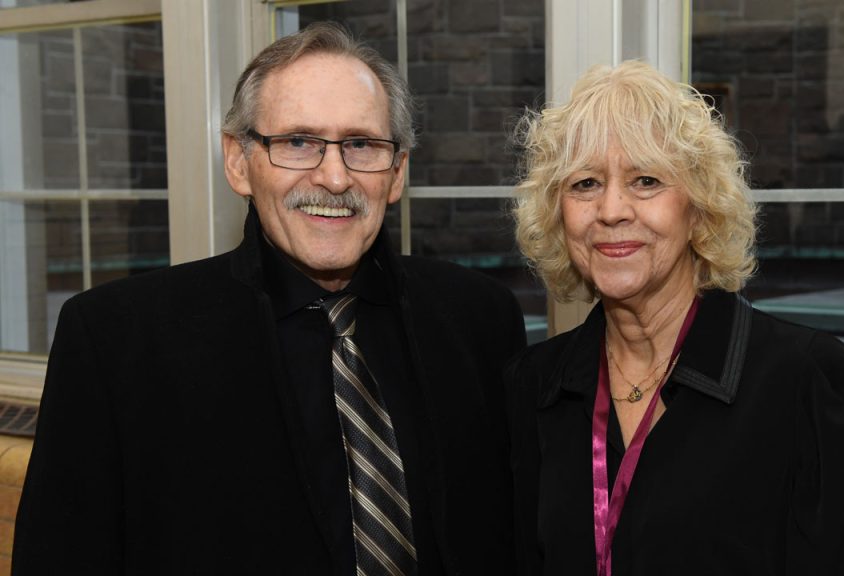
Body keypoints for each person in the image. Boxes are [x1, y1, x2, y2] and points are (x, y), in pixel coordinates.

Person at [14, 22, 525, 576]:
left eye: (361, 144)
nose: (334, 177)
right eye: (298, 142)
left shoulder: (479, 320)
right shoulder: (117, 341)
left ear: (397, 171)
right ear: (239, 162)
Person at [506, 60, 844, 575]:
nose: (611, 209)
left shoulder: (810, 384)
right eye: (585, 184)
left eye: (645, 180)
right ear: (558, 214)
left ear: (698, 207)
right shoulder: (535, 386)